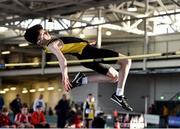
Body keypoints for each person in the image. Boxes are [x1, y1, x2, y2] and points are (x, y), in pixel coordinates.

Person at [24, 24, 133, 111]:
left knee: (115, 77)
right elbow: (62, 60)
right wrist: (65, 76)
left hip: (85, 54)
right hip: (89, 53)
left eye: (45, 31)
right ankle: (119, 95)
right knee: (126, 61)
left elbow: (69, 42)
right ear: (39, 42)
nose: (47, 33)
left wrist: (84, 42)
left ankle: (82, 80)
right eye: (43, 34)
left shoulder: (48, 45)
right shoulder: (51, 45)